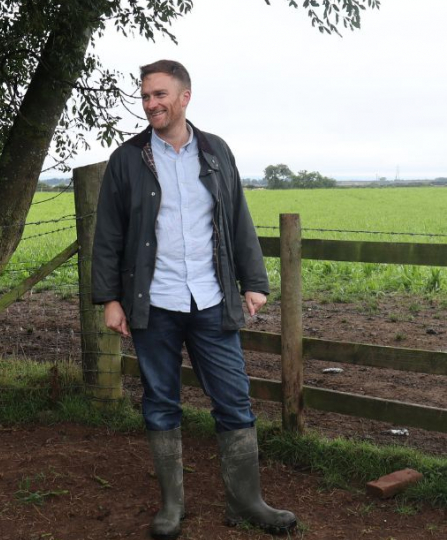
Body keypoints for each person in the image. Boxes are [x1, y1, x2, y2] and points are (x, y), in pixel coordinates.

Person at [92, 60, 296, 539]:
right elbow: (108, 234)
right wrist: (109, 299)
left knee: (234, 400)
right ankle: (171, 508)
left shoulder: (217, 151)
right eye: (145, 96)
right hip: (153, 303)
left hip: (211, 300)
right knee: (160, 402)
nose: (150, 104)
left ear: (185, 97)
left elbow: (238, 220)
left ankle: (247, 503)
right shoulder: (129, 159)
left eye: (159, 94)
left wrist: (255, 281)